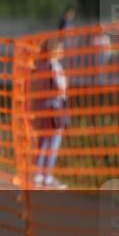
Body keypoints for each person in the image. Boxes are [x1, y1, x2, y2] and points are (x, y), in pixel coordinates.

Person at [32, 39, 69, 189]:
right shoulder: (54, 67)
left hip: (41, 106)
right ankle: (47, 177)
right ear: (53, 51)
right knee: (53, 143)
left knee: (42, 142)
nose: (62, 52)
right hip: (54, 106)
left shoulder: (39, 66)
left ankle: (38, 175)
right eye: (60, 49)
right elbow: (60, 87)